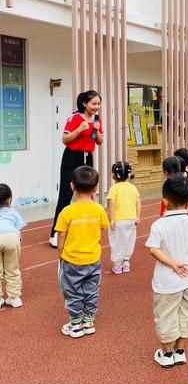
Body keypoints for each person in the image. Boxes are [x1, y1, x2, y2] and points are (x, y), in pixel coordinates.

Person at [146, 174, 188, 368]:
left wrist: (172, 264)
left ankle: (166, 354)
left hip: (166, 282)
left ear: (164, 201)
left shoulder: (159, 225)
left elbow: (153, 249)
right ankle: (180, 351)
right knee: (185, 312)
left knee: (165, 315)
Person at [55, 166, 109, 338]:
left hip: (72, 260)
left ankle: (76, 324)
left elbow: (61, 235)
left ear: (72, 186)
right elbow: (102, 230)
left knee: (73, 291)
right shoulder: (99, 209)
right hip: (93, 258)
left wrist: (61, 253)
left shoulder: (67, 211)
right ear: (96, 188)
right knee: (92, 290)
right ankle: (89, 321)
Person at [50, 91, 103, 248]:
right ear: (84, 104)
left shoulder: (97, 119)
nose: (96, 107)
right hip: (72, 156)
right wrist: (79, 129)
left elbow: (98, 141)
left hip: (88, 157)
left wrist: (97, 129)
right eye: (93, 103)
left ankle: (85, 229)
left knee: (88, 192)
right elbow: (65, 140)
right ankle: (55, 234)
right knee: (67, 194)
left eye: (99, 104)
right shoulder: (74, 118)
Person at [107, 161, 141, 275]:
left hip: (118, 220)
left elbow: (112, 203)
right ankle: (126, 262)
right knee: (129, 240)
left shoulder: (114, 188)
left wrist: (112, 219)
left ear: (113, 175)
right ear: (128, 174)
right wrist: (138, 217)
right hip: (131, 219)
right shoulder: (133, 188)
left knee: (116, 241)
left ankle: (117, 265)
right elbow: (138, 202)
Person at [0, 184, 26, 308]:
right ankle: (14, 298)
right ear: (10, 199)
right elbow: (19, 227)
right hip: (12, 238)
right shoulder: (13, 212)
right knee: (12, 269)